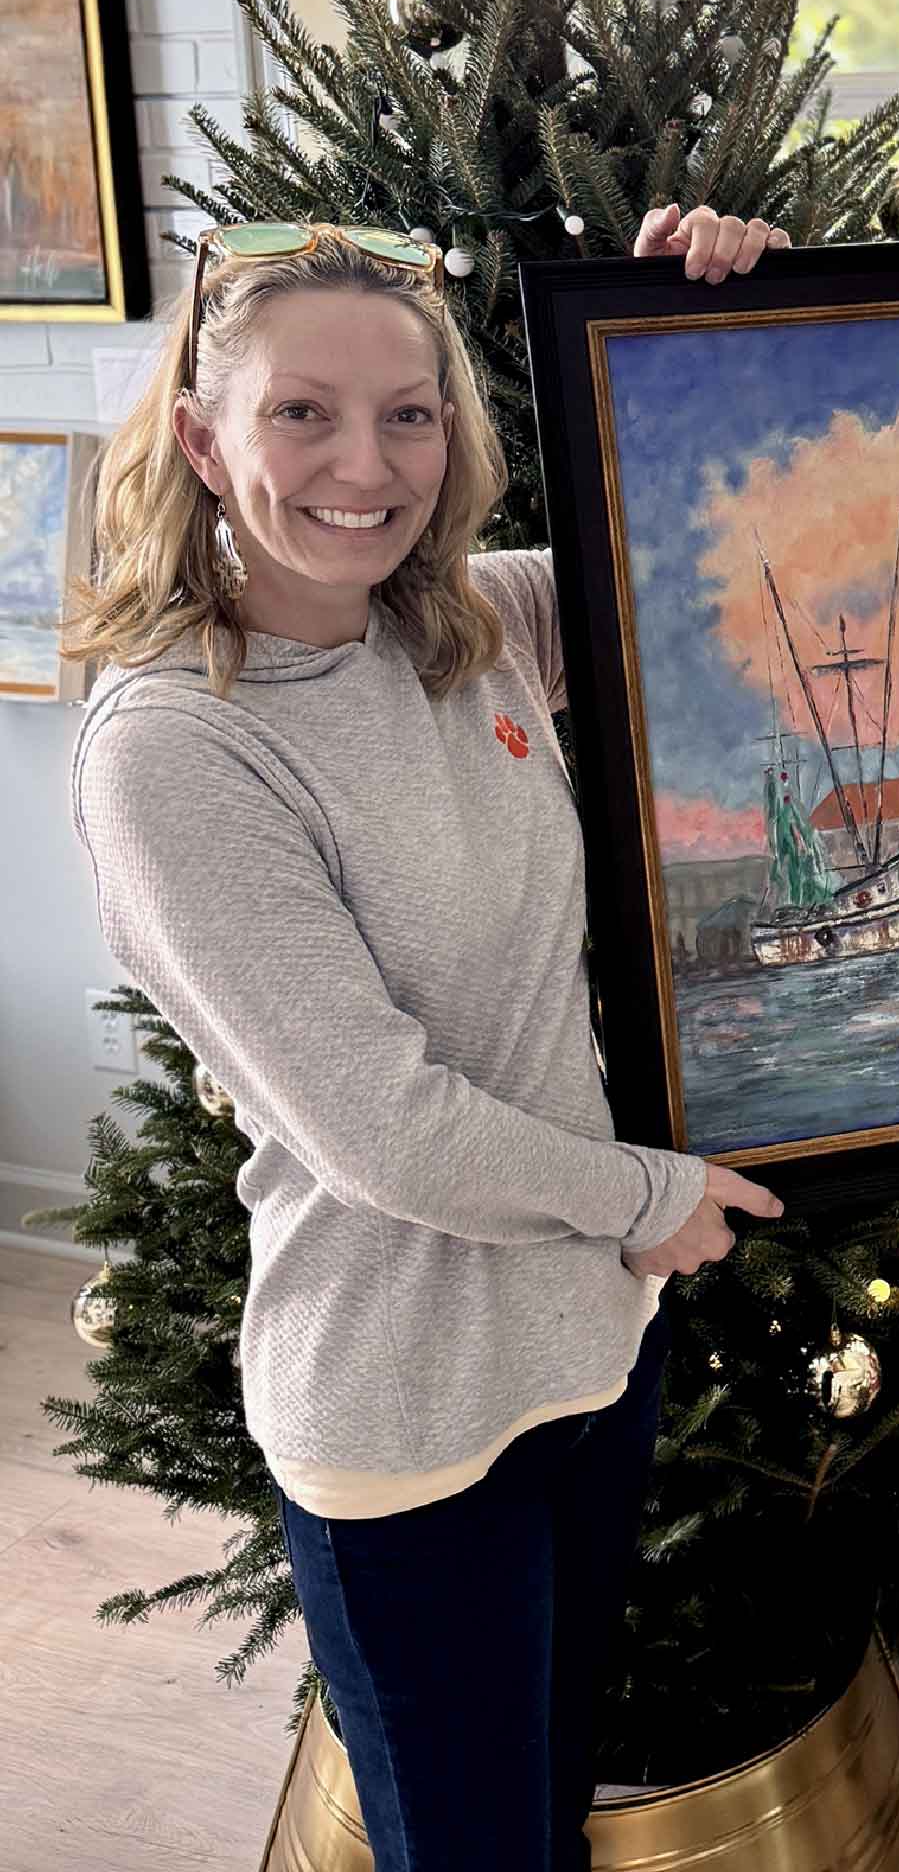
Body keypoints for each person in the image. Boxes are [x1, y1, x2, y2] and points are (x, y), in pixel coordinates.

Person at [64, 202, 790, 1872]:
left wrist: (719, 305)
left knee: (543, 1802)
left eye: (407, 413)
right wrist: (641, 1201)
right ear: (198, 433)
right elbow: (385, 1129)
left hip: (590, 1348)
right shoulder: (176, 747)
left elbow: (691, 539)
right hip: (402, 1404)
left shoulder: (470, 625)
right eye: (298, 413)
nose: (361, 465)